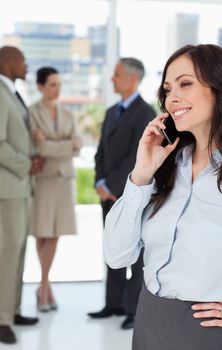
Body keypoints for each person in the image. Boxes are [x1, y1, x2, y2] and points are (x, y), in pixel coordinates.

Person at [104, 43, 222, 349]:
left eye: (185, 84)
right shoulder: (167, 167)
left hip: (209, 332)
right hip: (150, 322)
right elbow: (117, 254)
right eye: (167, 88)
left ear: (220, 88)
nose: (173, 97)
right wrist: (141, 174)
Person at [88, 57, 155, 329]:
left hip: (130, 194)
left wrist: (115, 187)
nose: (112, 79)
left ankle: (132, 310)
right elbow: (100, 152)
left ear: (132, 78)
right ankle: (113, 303)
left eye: (116, 75)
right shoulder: (111, 111)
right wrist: (99, 181)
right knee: (112, 247)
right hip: (109, 194)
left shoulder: (145, 113)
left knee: (135, 255)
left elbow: (137, 157)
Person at [29, 67, 82, 312]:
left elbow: (77, 146)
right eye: (52, 84)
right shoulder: (31, 113)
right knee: (43, 233)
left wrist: (52, 145)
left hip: (64, 180)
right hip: (43, 180)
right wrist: (64, 145)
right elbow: (40, 148)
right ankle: (44, 286)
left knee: (56, 233)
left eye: (59, 84)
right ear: (40, 86)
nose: (57, 89)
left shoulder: (67, 113)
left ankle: (43, 286)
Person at [0, 46, 42, 345]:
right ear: (7, 61)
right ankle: (1, 320)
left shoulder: (12, 92)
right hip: (8, 188)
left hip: (21, 187)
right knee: (7, 253)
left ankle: (12, 310)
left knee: (18, 252)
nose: (26, 66)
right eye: (22, 61)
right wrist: (25, 163)